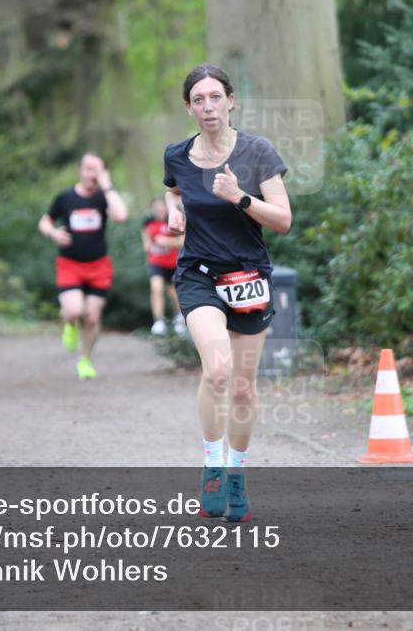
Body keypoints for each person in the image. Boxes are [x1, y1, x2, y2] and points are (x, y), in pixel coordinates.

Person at [163, 65, 291, 522]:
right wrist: (174, 214)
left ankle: (236, 473)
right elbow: (173, 192)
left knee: (240, 389)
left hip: (249, 277)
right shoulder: (177, 155)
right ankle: (212, 467)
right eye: (199, 99)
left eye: (215, 97)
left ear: (231, 101)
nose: (208, 106)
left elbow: (282, 219)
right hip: (198, 274)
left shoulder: (257, 152)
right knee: (217, 370)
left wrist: (239, 196)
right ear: (189, 107)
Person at [38, 152, 128, 379]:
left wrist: (107, 186)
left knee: (92, 317)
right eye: (88, 169)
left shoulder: (103, 197)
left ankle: (85, 360)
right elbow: (45, 221)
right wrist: (53, 233)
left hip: (98, 265)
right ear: (80, 170)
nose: (92, 174)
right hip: (70, 263)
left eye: (97, 170)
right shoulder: (66, 198)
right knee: (74, 311)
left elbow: (121, 216)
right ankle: (69, 324)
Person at [141, 197, 185, 335]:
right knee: (156, 288)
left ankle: (179, 319)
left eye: (162, 207)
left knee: (174, 293)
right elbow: (146, 244)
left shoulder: (174, 222)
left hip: (174, 263)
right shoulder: (148, 224)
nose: (159, 210)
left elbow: (183, 240)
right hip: (157, 264)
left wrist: (166, 241)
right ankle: (159, 321)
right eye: (156, 208)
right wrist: (149, 246)